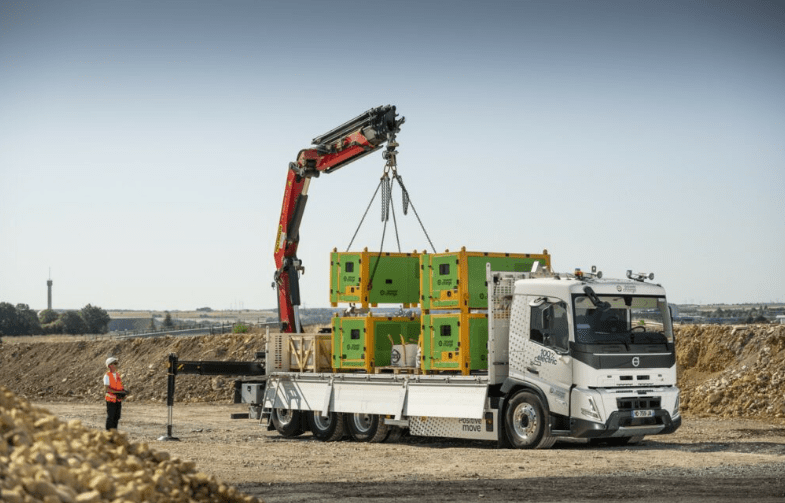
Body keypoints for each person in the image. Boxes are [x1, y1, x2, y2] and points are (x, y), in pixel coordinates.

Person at [103, 356, 126, 430]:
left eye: (117, 363)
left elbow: (118, 386)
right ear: (109, 366)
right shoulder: (107, 375)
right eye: (115, 363)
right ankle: (108, 433)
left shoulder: (117, 375)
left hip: (117, 399)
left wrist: (123, 391)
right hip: (111, 399)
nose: (117, 365)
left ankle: (114, 432)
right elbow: (107, 388)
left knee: (117, 416)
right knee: (111, 417)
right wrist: (118, 392)